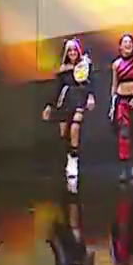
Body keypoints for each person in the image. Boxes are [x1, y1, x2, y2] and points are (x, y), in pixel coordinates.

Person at [41, 38, 95, 182]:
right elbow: (56, 88)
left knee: (75, 127)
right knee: (64, 133)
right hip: (65, 99)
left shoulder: (84, 65)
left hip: (80, 97)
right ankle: (66, 158)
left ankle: (73, 160)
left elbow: (91, 83)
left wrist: (91, 96)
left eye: (74, 50)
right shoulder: (63, 69)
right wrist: (49, 106)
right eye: (69, 50)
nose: (72, 53)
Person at [47, 189, 94, 265]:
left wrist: (54, 240)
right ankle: (73, 192)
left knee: (71, 222)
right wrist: (89, 254)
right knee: (75, 224)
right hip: (78, 245)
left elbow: (58, 257)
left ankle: (69, 192)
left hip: (67, 244)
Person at [110, 33, 133, 184]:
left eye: (130, 42)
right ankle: (124, 168)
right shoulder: (116, 64)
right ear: (120, 46)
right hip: (122, 102)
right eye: (125, 42)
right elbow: (114, 85)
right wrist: (112, 104)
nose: (127, 44)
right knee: (123, 134)